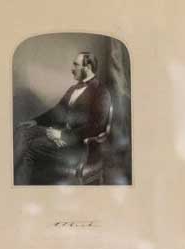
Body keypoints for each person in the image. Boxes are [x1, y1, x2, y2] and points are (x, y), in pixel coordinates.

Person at [14, 52, 113, 186]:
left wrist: (63, 135)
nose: (72, 69)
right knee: (23, 130)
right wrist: (36, 121)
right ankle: (7, 174)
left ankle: (19, 191)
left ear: (88, 67)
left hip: (78, 146)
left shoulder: (101, 92)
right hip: (59, 134)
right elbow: (56, 111)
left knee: (32, 147)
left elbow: (96, 126)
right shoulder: (73, 89)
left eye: (76, 65)